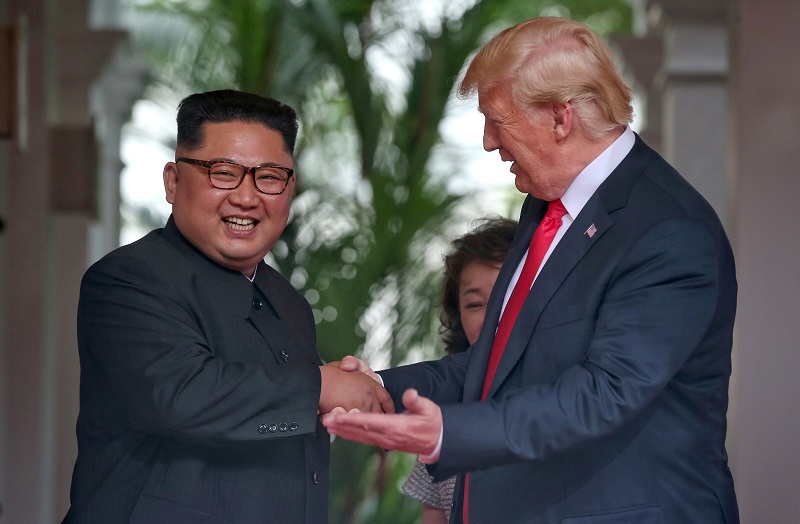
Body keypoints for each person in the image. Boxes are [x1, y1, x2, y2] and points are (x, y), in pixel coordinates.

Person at [324, 16, 739, 523]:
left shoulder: (667, 228)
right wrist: (378, 388)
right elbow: (503, 365)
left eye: (497, 119)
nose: (488, 142)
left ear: (561, 119)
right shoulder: (546, 206)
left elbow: (606, 392)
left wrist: (449, 433)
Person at [63, 89, 392, 523]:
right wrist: (321, 387)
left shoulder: (287, 301)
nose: (247, 197)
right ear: (173, 182)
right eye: (223, 173)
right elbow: (183, 395)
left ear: (290, 188)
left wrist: (350, 391)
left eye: (270, 177)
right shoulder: (130, 279)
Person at [402, 217, 517, 524]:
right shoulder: (443, 411)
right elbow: (435, 514)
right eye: (476, 305)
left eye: (510, 298)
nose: (494, 317)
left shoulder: (575, 396)